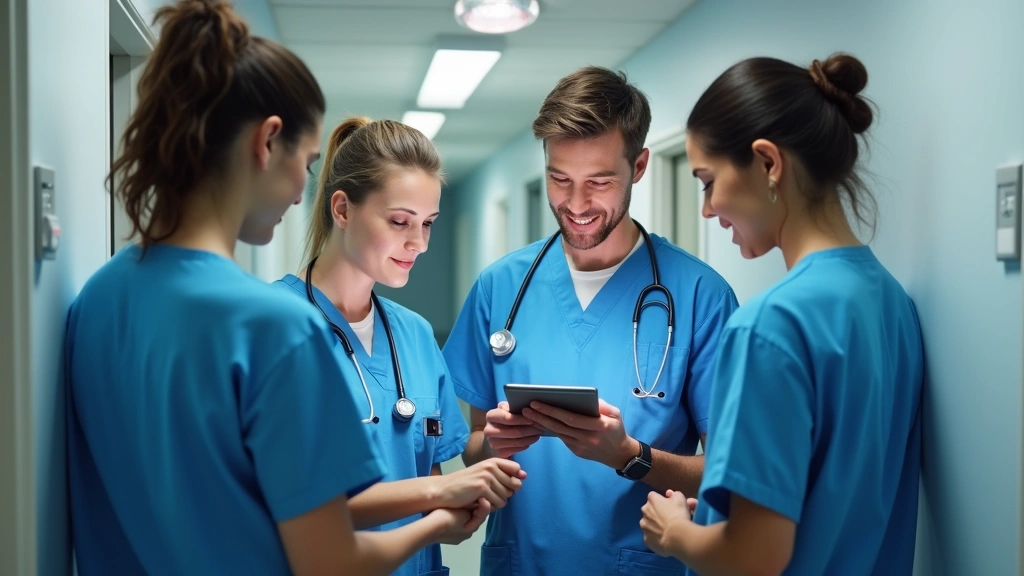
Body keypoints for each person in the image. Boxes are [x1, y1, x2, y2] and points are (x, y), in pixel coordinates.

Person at [65, 2, 480, 575]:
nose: (301, 193)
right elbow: (331, 562)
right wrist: (437, 520)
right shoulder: (277, 326)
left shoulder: (98, 299)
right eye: (307, 164)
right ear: (266, 142)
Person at [443, 66, 739, 575]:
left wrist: (629, 455)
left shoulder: (700, 296)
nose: (576, 204)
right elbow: (472, 446)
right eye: (559, 179)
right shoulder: (500, 287)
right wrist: (493, 443)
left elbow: (727, 474)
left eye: (599, 182)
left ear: (639, 166)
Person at [639, 54, 924, 576]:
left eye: (707, 181)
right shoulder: (890, 302)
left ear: (768, 163)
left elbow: (756, 557)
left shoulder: (770, 326)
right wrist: (721, 521)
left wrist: (675, 532)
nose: (706, 208)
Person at [274, 116, 527, 576]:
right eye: (399, 222)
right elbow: (290, 504)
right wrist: (440, 493)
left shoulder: (415, 334)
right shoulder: (273, 325)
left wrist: (455, 511)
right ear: (342, 209)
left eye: (427, 224)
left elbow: (426, 477)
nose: (419, 243)